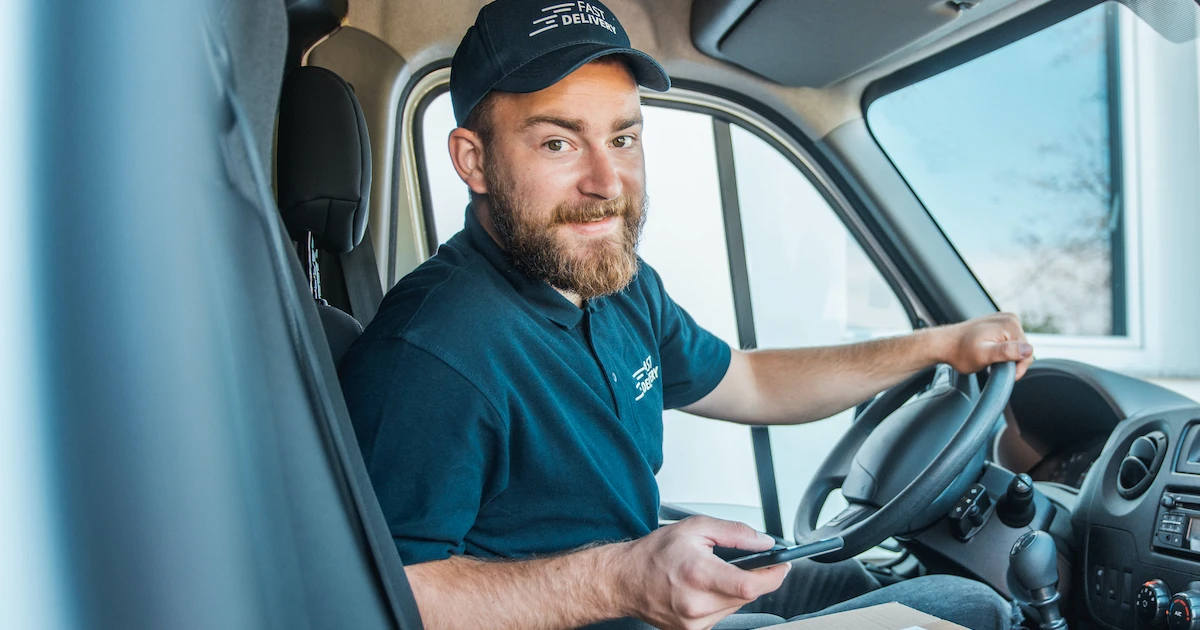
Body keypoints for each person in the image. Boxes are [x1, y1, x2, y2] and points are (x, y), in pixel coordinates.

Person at [339, 1, 1033, 628]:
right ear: (474, 160)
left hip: (640, 595)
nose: (606, 184)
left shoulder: (614, 283)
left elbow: (750, 380)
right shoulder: (433, 352)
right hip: (595, 611)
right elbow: (385, 596)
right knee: (965, 607)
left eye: (623, 139)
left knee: (851, 576)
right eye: (558, 142)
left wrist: (937, 346)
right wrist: (622, 581)